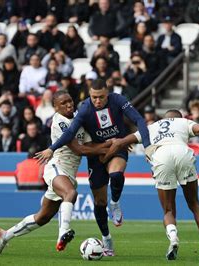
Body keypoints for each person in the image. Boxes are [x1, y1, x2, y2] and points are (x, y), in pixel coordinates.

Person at [35, 79, 151, 256]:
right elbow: (69, 133)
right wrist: (52, 148)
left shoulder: (118, 100)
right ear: (89, 95)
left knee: (116, 174)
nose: (98, 101)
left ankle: (115, 203)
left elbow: (139, 120)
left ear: (108, 93)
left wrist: (147, 146)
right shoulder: (84, 108)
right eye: (94, 97)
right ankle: (106, 238)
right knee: (99, 201)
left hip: (116, 148)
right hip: (96, 154)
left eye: (102, 97)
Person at [0, 90, 111, 254]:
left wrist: (110, 145)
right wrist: (110, 147)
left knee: (42, 217)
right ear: (56, 107)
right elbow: (78, 149)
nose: (69, 104)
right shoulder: (59, 121)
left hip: (69, 173)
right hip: (56, 167)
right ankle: (63, 232)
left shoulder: (79, 118)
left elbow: (90, 145)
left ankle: (5, 235)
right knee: (70, 193)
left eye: (70, 100)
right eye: (63, 103)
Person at [102, 109, 199, 260]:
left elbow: (120, 142)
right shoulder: (184, 122)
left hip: (161, 156)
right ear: (179, 117)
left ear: (164, 118)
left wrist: (105, 158)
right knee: (194, 203)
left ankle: (173, 239)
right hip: (183, 153)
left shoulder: (151, 127)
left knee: (168, 210)